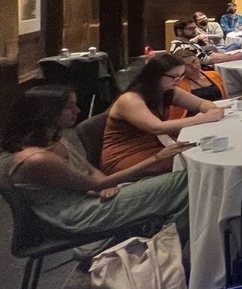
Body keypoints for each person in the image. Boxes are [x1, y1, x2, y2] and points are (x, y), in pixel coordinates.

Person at [0, 85, 192, 243]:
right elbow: (94, 185)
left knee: (182, 184)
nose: (77, 111)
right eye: (69, 107)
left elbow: (90, 170)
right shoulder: (37, 159)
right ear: (47, 112)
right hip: (79, 215)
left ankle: (170, 243)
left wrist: (105, 184)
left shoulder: (54, 139)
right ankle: (171, 247)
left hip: (90, 197)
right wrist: (157, 158)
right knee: (184, 182)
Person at [101, 54, 226, 174]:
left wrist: (210, 110)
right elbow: (157, 127)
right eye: (174, 77)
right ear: (156, 76)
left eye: (181, 76)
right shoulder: (129, 99)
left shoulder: (168, 90)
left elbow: (201, 104)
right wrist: (204, 118)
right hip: (123, 156)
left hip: (156, 146)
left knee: (204, 152)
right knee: (197, 162)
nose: (178, 81)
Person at [169, 49, 226, 120]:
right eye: (187, 65)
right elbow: (176, 114)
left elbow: (225, 99)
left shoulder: (214, 75)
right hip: (194, 119)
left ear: (198, 59)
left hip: (218, 113)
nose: (194, 67)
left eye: (194, 61)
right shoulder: (178, 85)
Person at [170, 18, 242, 67]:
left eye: (194, 28)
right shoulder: (182, 47)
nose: (194, 31)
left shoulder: (190, 43)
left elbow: (209, 53)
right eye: (190, 29)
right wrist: (235, 57)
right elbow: (207, 60)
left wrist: (230, 56)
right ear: (179, 31)